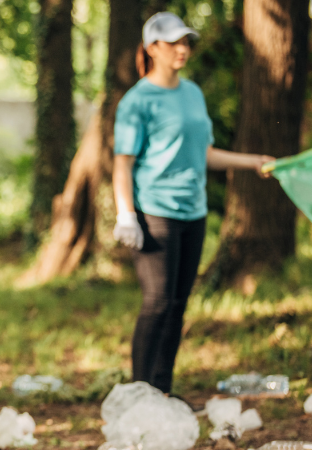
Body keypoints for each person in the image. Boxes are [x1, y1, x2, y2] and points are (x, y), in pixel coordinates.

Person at [112, 12, 274, 399]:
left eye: (186, 42)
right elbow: (123, 163)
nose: (182, 49)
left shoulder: (193, 93)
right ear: (153, 48)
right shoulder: (137, 101)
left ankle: (162, 391)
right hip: (155, 212)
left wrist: (251, 161)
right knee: (158, 302)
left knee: (178, 304)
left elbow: (204, 154)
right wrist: (126, 214)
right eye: (173, 43)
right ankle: (140, 395)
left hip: (193, 213)